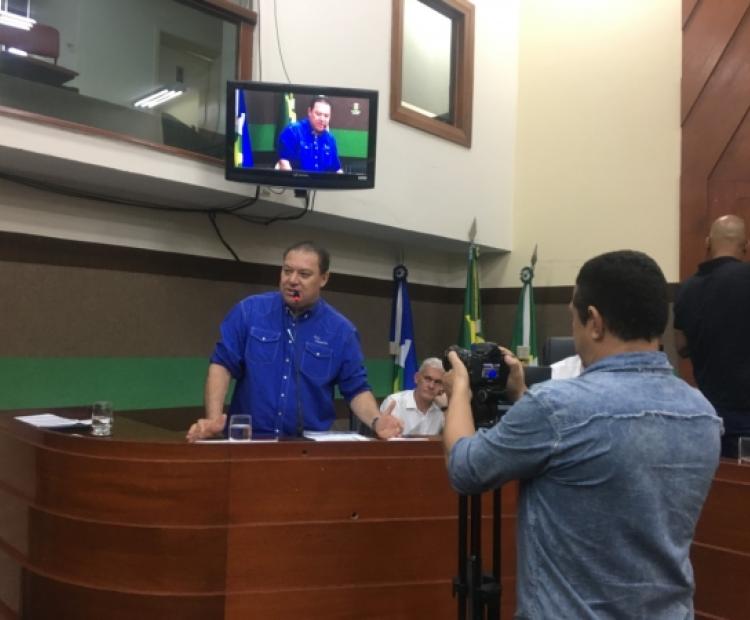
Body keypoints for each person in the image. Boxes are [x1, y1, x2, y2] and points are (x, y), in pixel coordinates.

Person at [442, 250, 721, 619]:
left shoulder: (555, 408)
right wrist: (521, 395)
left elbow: (465, 468)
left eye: (572, 318)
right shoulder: (703, 413)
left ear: (595, 322)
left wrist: (459, 390)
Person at [187, 241, 402, 441]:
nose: (292, 280)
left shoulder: (341, 331)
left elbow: (356, 388)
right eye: (287, 271)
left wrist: (376, 421)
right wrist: (213, 419)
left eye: (304, 274)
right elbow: (222, 365)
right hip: (251, 441)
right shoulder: (250, 312)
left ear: (324, 278)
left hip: (308, 447)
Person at [674, 214, 750, 458]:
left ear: (707, 242)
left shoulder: (687, 289)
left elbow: (681, 346)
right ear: (746, 246)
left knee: (719, 479)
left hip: (709, 414)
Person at [277, 96, 343, 173]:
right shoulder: (293, 131)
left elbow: (336, 169)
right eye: (318, 114)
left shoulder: (330, 139)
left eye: (326, 116)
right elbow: (284, 162)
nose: (322, 119)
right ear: (309, 112)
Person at [380, 358, 446, 435]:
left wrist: (445, 408)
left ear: (442, 386)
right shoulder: (394, 402)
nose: (431, 386)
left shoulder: (442, 409)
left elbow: (454, 439)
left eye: (437, 382)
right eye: (427, 379)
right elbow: (381, 437)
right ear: (416, 378)